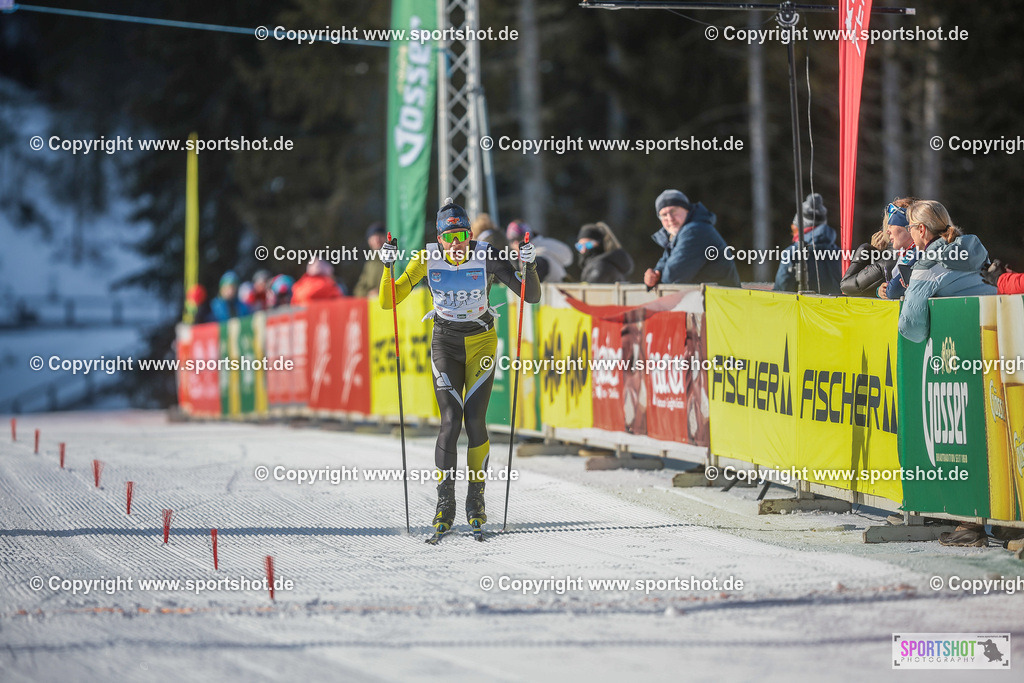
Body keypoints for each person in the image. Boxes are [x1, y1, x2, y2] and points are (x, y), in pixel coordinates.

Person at [380, 198, 541, 540]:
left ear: (471, 234)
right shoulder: (426, 259)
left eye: (462, 235)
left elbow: (530, 297)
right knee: (451, 420)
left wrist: (531, 266)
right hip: (445, 343)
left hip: (481, 342)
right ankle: (445, 503)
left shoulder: (487, 256)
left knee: (475, 419)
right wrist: (386, 268)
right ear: (439, 238)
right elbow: (387, 301)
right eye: (449, 236)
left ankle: (476, 500)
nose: (456, 243)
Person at [898, 199, 995, 346]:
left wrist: (909, 294)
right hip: (997, 332)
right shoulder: (975, 250)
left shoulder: (926, 266)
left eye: (910, 227)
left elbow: (911, 328)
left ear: (922, 229)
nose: (909, 232)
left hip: (963, 344)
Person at [643, 189, 739, 288]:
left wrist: (657, 279)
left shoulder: (695, 231)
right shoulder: (676, 236)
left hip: (720, 300)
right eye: (664, 215)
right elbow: (663, 267)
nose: (670, 218)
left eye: (673, 211)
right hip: (708, 299)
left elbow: (674, 276)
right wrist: (653, 276)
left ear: (686, 210)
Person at [773, 193, 841, 294]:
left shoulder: (792, 253)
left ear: (798, 227)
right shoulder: (840, 253)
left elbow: (781, 291)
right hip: (836, 309)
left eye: (793, 229)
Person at [876, 200, 919, 300]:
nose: (887, 231)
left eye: (891, 225)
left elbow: (894, 290)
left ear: (908, 228)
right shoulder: (904, 253)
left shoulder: (919, 252)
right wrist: (880, 290)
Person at [507, 219, 573, 283]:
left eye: (519, 239)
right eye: (512, 240)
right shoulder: (515, 255)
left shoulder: (541, 252)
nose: (516, 243)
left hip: (553, 288)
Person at [353, 222, 388, 298]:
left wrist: (382, 291)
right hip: (374, 306)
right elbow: (359, 289)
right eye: (374, 237)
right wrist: (368, 294)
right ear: (369, 241)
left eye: (380, 236)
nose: (377, 240)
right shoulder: (369, 264)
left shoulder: (394, 260)